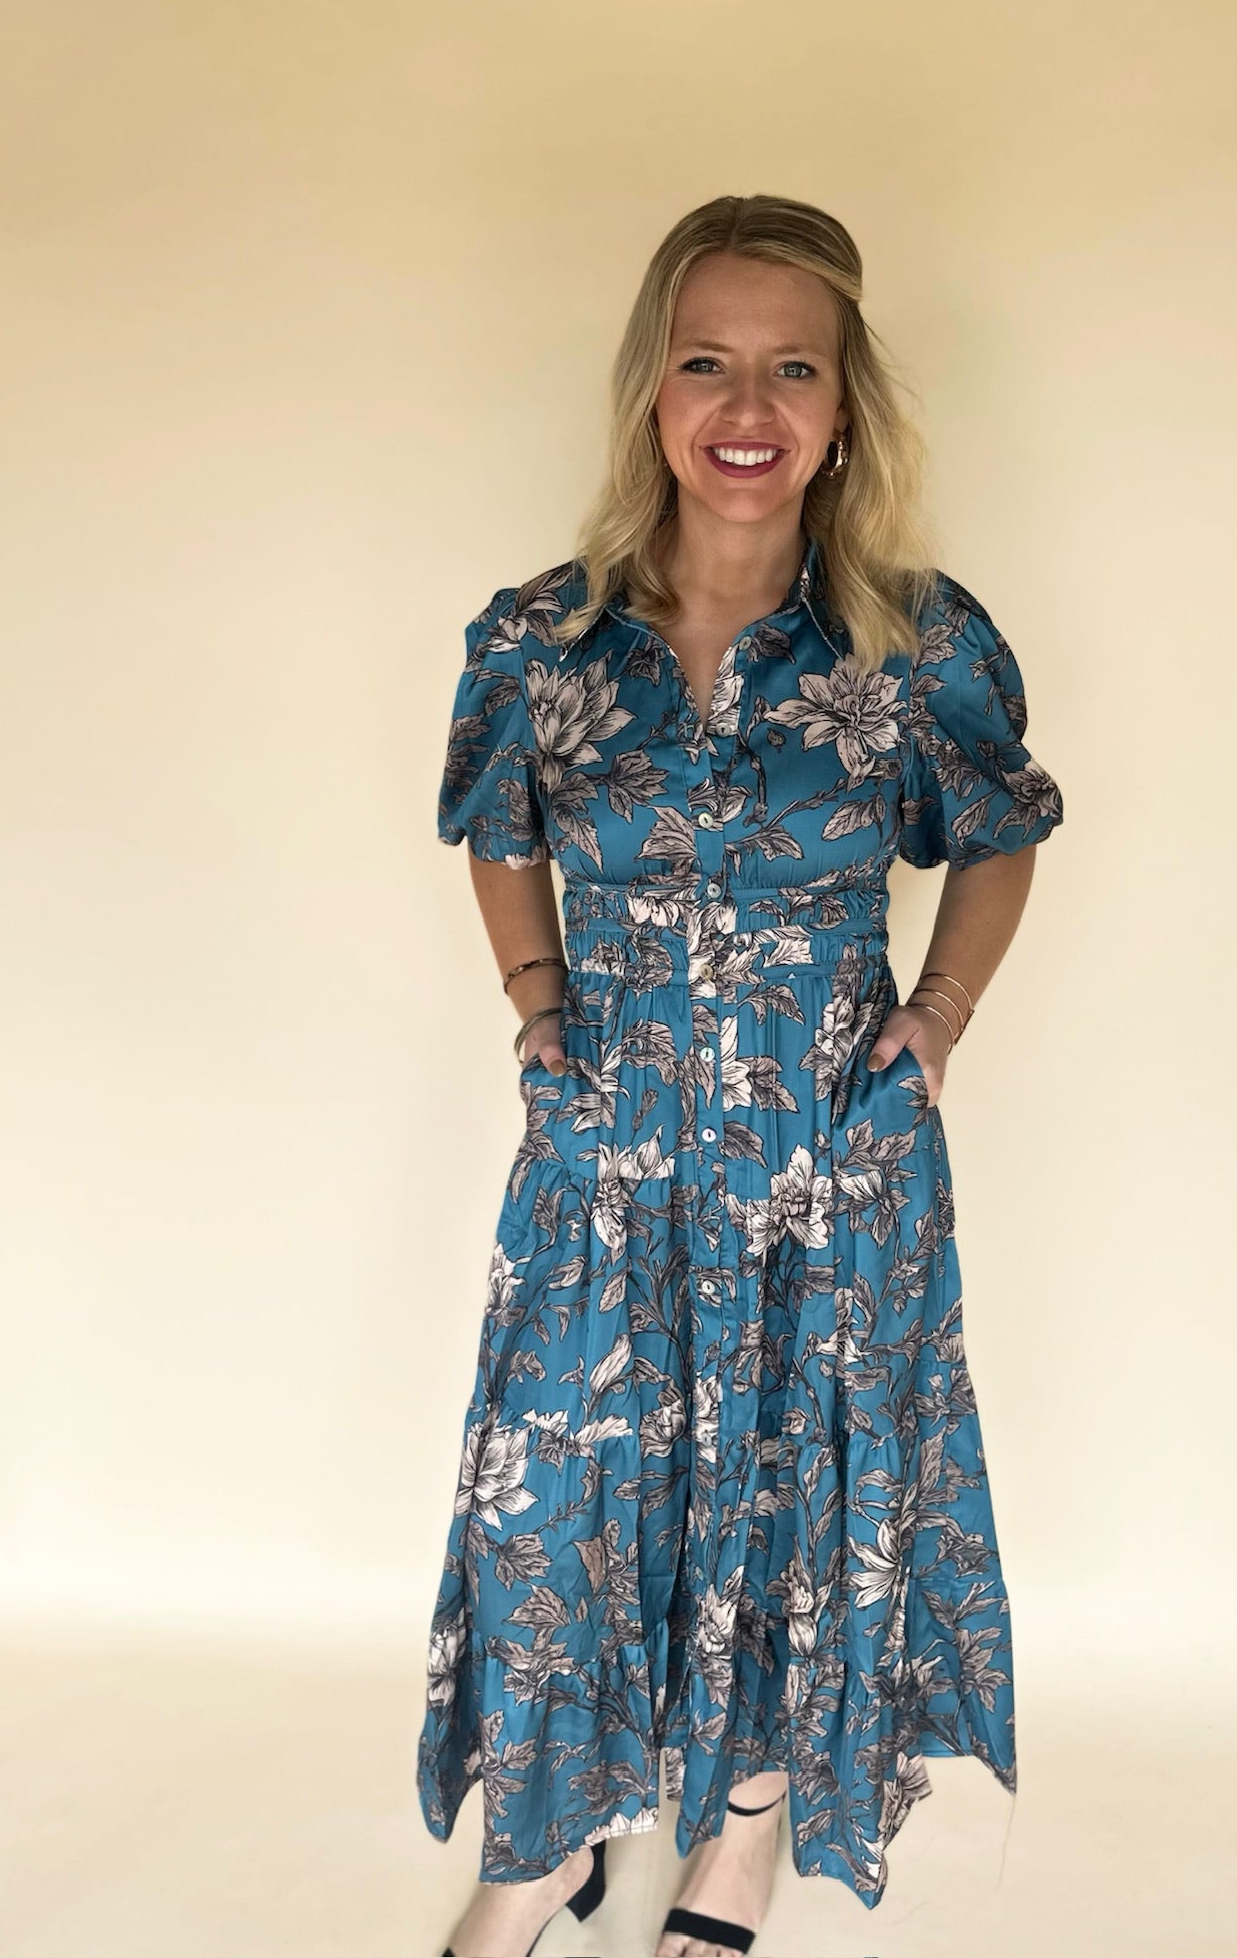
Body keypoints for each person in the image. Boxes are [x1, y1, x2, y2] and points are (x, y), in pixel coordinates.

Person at [416, 192, 1065, 1958]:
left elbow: (1001, 831)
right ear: (654, 391)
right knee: (557, 1505)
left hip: (825, 1154)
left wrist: (937, 1023)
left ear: (845, 409)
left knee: (794, 1501)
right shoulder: (541, 644)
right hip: (608, 1156)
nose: (747, 406)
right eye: (707, 362)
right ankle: (548, 1837)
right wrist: (538, 1004)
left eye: (794, 368)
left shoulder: (915, 648)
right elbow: (498, 826)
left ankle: (746, 1837)